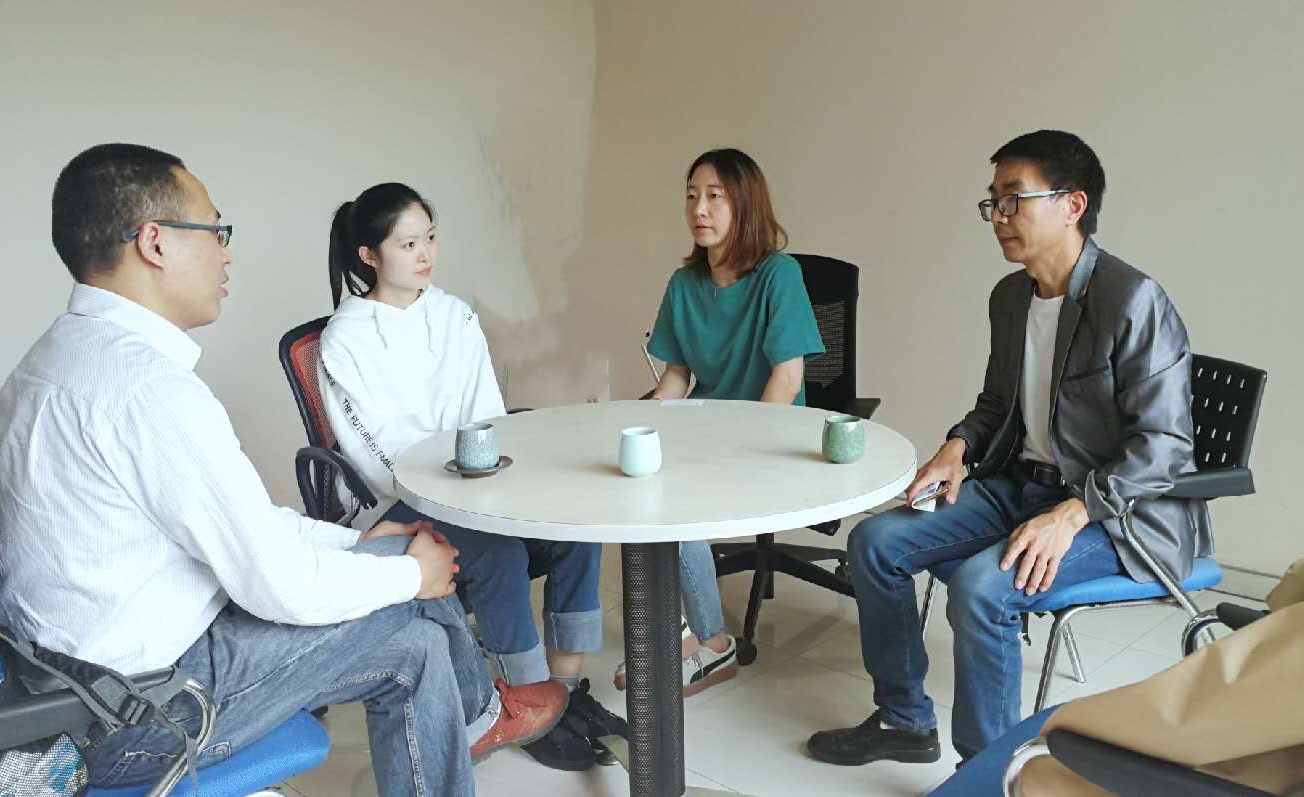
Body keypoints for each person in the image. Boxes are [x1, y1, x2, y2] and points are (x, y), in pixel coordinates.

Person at [0, 144, 566, 795]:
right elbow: (275, 583)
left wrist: (353, 542)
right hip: (139, 715)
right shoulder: (144, 388)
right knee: (414, 609)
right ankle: (480, 714)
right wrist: (410, 574)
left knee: (415, 626)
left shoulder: (52, 361)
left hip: (73, 689)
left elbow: (248, 526)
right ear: (154, 242)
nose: (226, 254)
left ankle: (477, 715)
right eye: (216, 231)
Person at [807, 130, 1210, 766]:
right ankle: (905, 722)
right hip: (1024, 488)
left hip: (1119, 516)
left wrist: (1073, 512)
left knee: (980, 587)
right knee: (875, 543)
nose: (998, 216)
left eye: (1013, 199)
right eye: (992, 201)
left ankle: (988, 771)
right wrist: (957, 446)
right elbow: (997, 404)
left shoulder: (1133, 300)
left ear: (1073, 205)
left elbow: (1164, 445)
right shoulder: (1011, 297)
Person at [319, 182, 625, 772]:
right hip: (398, 501)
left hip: (476, 482)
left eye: (430, 238)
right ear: (369, 255)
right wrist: (455, 492)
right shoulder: (346, 339)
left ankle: (564, 693)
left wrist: (487, 479)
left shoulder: (454, 315)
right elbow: (374, 454)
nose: (425, 254)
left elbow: (487, 416)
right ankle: (527, 702)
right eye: (408, 244)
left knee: (575, 525)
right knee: (495, 550)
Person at [617, 148, 825, 696]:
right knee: (634, 489)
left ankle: (713, 645)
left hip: (770, 439)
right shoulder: (684, 283)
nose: (698, 209)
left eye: (715, 196)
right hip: (704, 434)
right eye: (691, 196)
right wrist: (643, 427)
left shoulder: (779, 274)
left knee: (671, 513)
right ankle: (674, 637)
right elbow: (677, 377)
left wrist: (741, 448)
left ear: (745, 203)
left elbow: (787, 379)